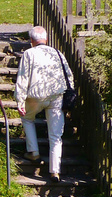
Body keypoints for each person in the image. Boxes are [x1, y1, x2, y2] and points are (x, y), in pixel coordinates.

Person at [15, 25, 73, 181]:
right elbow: (69, 75)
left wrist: (20, 100)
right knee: (55, 135)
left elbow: (23, 78)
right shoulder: (57, 53)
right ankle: (55, 170)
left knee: (27, 118)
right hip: (56, 96)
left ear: (31, 40)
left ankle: (33, 152)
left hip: (35, 97)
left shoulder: (29, 54)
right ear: (46, 39)